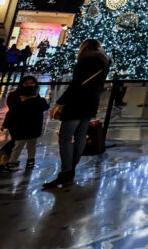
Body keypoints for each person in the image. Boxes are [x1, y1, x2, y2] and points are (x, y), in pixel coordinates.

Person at [43, 39, 110, 189]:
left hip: (76, 102)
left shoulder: (85, 61)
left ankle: (66, 171)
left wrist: (60, 102)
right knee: (80, 136)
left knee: (65, 138)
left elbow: (76, 85)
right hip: (91, 102)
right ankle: (70, 171)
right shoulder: (104, 63)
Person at [0, 75, 49, 172]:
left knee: (18, 146)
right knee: (29, 146)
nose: (29, 85)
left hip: (22, 129)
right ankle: (29, 161)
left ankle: (10, 162)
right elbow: (45, 106)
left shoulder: (24, 104)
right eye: (26, 83)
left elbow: (13, 112)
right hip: (30, 128)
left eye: (31, 83)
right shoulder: (38, 100)